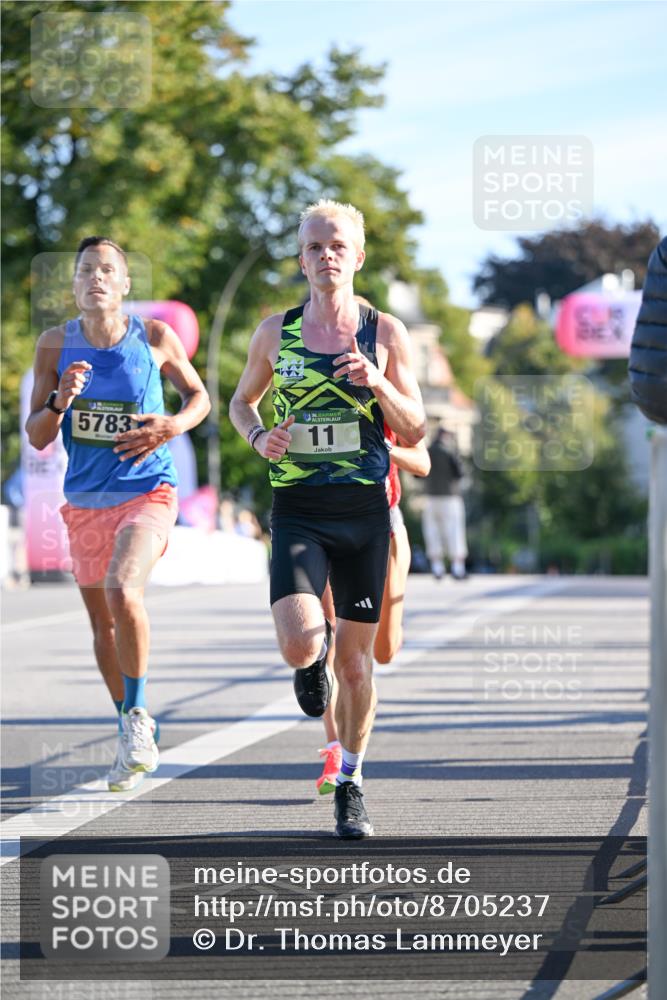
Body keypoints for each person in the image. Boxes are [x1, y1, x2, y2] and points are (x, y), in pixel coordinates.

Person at [230, 199, 426, 837]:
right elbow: (241, 403)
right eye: (314, 247)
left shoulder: (385, 332)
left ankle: (350, 780)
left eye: (337, 245)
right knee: (300, 641)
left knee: (358, 664)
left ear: (359, 256)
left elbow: (417, 426)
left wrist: (377, 381)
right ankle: (307, 662)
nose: (326, 256)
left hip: (365, 512)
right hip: (299, 509)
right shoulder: (273, 333)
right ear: (301, 258)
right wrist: (260, 439)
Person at [26, 237, 210, 791]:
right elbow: (37, 437)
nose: (97, 278)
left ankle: (136, 717)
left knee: (123, 591)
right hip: (85, 501)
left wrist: (172, 425)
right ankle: (131, 725)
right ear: (75, 283)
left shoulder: (153, 337)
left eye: (108, 270)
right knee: (102, 627)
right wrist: (60, 398)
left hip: (147, 489)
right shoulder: (53, 344)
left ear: (126, 285)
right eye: (86, 270)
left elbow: (198, 397)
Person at [316, 426, 430, 795]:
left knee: (382, 651)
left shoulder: (381, 386)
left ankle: (353, 724)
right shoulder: (306, 379)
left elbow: (422, 461)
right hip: (321, 521)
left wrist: (382, 448)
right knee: (332, 645)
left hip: (384, 524)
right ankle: (337, 751)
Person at [421, 426, 468, 580]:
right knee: (454, 531)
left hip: (430, 496)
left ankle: (437, 567)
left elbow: (418, 474)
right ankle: (457, 567)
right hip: (450, 497)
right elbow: (460, 472)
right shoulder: (450, 451)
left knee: (432, 532)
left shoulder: (428, 451)